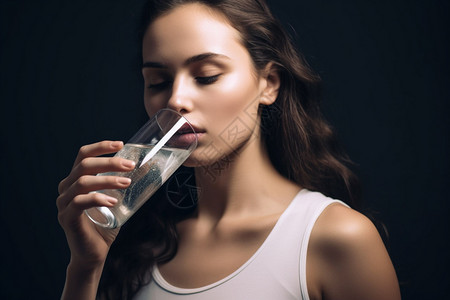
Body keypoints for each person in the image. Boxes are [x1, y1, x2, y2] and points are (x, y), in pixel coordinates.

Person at [57, 0, 401, 299]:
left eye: (206, 76)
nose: (176, 99)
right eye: (158, 82)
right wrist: (85, 268)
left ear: (268, 83)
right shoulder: (139, 237)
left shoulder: (336, 239)